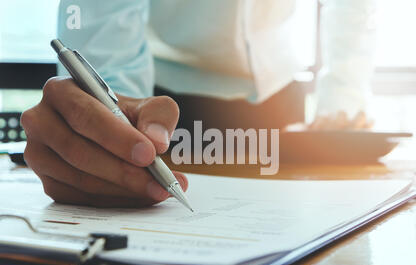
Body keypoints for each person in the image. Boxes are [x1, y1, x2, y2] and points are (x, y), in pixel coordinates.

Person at [21, 0, 375, 207]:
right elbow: (105, 24)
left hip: (280, 104)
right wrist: (112, 123)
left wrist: (341, 98)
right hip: (164, 109)